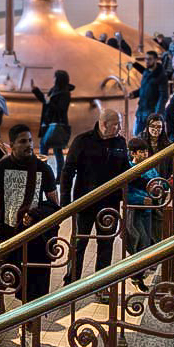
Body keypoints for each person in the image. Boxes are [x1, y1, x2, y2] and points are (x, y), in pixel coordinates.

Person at [0, 124, 59, 318]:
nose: (28, 145)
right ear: (11, 145)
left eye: (30, 141)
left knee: (33, 287)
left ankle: (30, 325)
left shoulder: (43, 169)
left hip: (34, 238)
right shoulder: (0, 169)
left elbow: (54, 206)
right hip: (7, 236)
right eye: (23, 141)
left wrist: (36, 214)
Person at [60, 108, 129, 287]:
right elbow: (68, 172)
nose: (120, 128)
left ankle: (101, 285)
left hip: (110, 204)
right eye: (116, 124)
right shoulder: (82, 142)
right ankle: (71, 283)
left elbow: (126, 171)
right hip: (85, 203)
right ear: (104, 124)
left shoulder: (120, 142)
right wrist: (65, 202)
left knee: (106, 244)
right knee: (79, 244)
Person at [125, 138, 160, 292]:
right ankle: (136, 276)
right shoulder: (130, 169)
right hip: (135, 211)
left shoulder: (149, 167)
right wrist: (143, 199)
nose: (145, 154)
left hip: (148, 212)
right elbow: (127, 193)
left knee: (147, 242)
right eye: (141, 152)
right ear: (133, 153)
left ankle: (139, 273)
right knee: (140, 241)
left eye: (146, 151)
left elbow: (159, 181)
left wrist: (162, 186)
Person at [31, 70, 74, 181]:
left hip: (56, 126)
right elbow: (46, 101)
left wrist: (50, 102)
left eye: (55, 77)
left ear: (59, 79)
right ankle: (53, 175)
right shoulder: (54, 90)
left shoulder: (65, 93)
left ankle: (44, 174)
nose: (53, 79)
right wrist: (36, 91)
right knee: (56, 151)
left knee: (45, 148)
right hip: (48, 124)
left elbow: (61, 109)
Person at [140, 113, 172, 244]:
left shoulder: (167, 144)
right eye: (153, 126)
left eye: (159, 127)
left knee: (159, 219)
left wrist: (165, 185)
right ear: (147, 127)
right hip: (143, 186)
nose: (156, 130)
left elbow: (170, 169)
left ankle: (156, 245)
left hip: (161, 186)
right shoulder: (141, 142)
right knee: (144, 219)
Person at [130, 50, 168, 135]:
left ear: (155, 60)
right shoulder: (146, 72)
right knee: (137, 136)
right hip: (141, 110)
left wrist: (157, 113)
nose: (147, 61)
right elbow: (144, 88)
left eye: (149, 59)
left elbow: (163, 96)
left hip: (152, 111)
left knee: (152, 136)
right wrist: (135, 94)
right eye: (146, 59)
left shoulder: (161, 76)